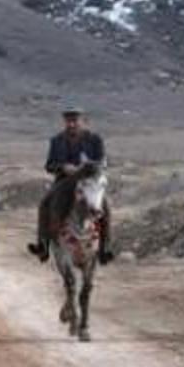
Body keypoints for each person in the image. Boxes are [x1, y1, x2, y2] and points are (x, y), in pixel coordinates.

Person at [27, 107, 114, 264]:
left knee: (106, 207)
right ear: (65, 122)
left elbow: (102, 162)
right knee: (44, 204)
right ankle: (43, 245)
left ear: (82, 121)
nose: (72, 124)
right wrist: (63, 167)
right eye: (69, 121)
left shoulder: (95, 139)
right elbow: (49, 165)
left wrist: (86, 168)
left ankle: (105, 248)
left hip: (89, 182)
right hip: (64, 182)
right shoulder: (56, 140)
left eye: (75, 121)